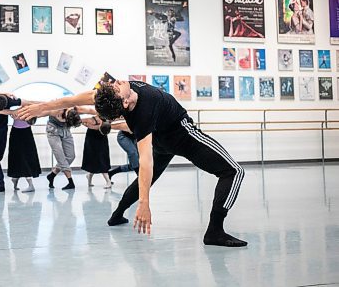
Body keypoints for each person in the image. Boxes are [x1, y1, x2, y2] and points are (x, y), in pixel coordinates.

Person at [18, 80, 247, 247]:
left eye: (117, 85)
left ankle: (117, 214)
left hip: (162, 137)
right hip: (182, 136)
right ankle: (215, 231)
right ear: (125, 103)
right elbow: (145, 162)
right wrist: (144, 204)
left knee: (148, 176)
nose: (120, 83)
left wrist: (41, 107)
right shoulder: (142, 111)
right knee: (234, 171)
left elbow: (71, 99)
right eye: (119, 89)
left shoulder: (110, 91)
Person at [40, 108, 82, 190]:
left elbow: (90, 111)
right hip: (53, 131)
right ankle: (70, 181)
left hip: (66, 130)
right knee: (61, 157)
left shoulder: (76, 109)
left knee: (71, 156)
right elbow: (42, 111)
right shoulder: (56, 110)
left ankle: (52, 175)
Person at [7, 115, 41, 193]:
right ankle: (15, 178)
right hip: (16, 131)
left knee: (27, 156)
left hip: (26, 131)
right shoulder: (15, 105)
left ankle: (28, 183)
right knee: (16, 155)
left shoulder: (27, 106)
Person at [80, 111, 112, 189]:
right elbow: (79, 120)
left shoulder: (106, 119)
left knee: (102, 159)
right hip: (92, 140)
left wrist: (93, 127)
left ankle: (106, 181)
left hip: (102, 139)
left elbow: (109, 126)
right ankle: (108, 181)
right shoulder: (91, 119)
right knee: (93, 160)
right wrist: (87, 125)